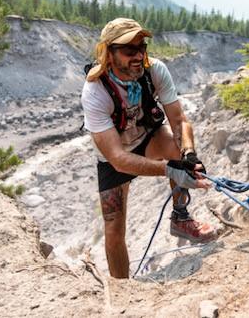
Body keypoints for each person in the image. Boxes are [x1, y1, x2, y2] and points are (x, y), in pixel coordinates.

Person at [81, 17, 217, 278]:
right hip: (114, 158)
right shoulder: (95, 90)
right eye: (129, 50)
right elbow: (119, 159)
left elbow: (179, 120)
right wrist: (170, 170)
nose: (138, 55)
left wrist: (189, 154)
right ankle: (121, 286)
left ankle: (180, 216)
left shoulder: (155, 70)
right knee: (113, 227)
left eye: (141, 47)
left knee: (179, 153)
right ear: (109, 53)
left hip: (148, 138)